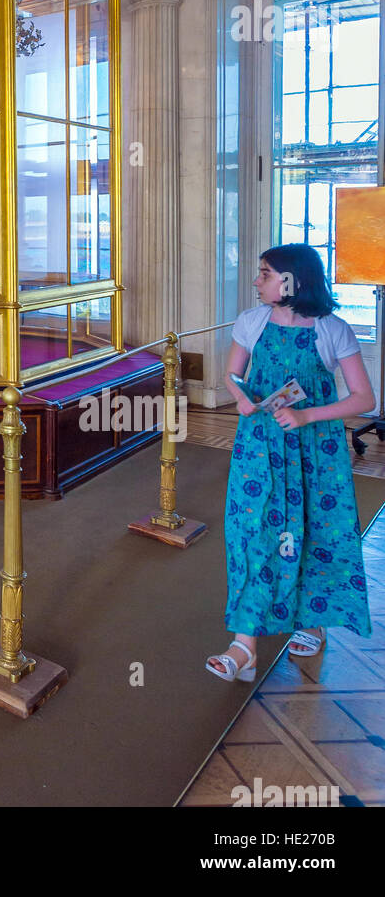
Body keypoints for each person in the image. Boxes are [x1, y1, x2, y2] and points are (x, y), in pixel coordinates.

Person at [206, 244, 375, 682]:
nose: (257, 281)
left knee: (314, 529)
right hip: (258, 449)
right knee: (252, 533)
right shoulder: (251, 321)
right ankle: (244, 645)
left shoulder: (332, 330)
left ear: (292, 281)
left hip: (315, 452)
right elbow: (232, 375)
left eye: (265, 274)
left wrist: (305, 415)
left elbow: (364, 398)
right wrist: (242, 398)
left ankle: (312, 620)